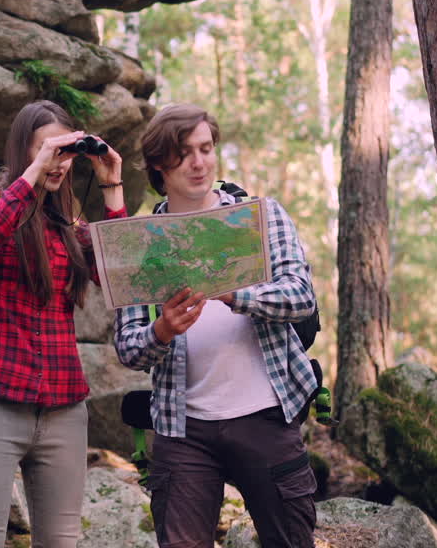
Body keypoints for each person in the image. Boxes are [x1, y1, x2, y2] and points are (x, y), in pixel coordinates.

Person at [113, 103, 319, 548]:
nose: (199, 161)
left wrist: (235, 293)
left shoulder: (260, 216)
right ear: (157, 164)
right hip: (183, 427)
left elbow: (302, 296)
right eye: (184, 153)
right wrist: (162, 330)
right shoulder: (138, 242)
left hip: (267, 415)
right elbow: (129, 349)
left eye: (206, 148)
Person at [0, 100, 127, 548]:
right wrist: (32, 177)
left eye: (66, 153)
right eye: (48, 149)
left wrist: (112, 186)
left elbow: (126, 274)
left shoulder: (70, 227)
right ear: (21, 151)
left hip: (63, 408)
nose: (59, 163)